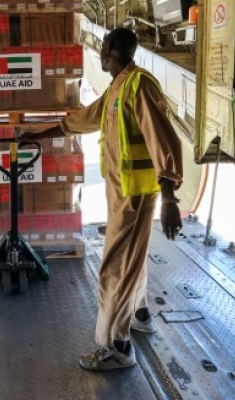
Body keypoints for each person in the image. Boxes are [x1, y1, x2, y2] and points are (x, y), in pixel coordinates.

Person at [20, 27, 183, 371]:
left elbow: (164, 142)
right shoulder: (117, 89)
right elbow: (80, 121)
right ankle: (139, 313)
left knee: (114, 267)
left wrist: (169, 200)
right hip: (122, 194)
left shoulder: (139, 86)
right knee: (130, 259)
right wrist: (37, 136)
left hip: (135, 195)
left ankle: (117, 346)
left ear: (110, 50)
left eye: (103, 47)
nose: (100, 52)